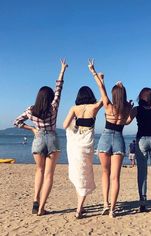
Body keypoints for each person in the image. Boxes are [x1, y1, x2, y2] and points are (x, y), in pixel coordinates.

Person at [14, 59, 68, 216]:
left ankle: (35, 200)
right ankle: (42, 208)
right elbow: (59, 87)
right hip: (52, 139)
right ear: (50, 97)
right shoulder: (53, 107)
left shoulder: (31, 110)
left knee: (39, 170)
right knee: (49, 175)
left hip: (38, 140)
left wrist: (31, 128)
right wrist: (62, 70)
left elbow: (17, 122)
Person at [88, 59, 132, 218]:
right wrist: (122, 89)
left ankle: (105, 204)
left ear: (114, 95)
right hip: (119, 139)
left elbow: (101, 87)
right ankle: (112, 210)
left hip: (106, 138)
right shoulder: (128, 108)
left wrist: (94, 71)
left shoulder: (108, 105)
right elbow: (127, 120)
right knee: (115, 177)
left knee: (105, 174)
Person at [63, 84, 103, 219]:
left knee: (78, 174)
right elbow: (104, 98)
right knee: (85, 174)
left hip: (75, 144)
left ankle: (80, 207)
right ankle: (79, 208)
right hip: (87, 145)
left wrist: (75, 123)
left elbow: (64, 125)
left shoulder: (74, 108)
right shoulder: (94, 107)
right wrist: (101, 80)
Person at [126, 87, 151, 212]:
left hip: (141, 140)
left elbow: (126, 122)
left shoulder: (136, 109)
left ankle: (142, 203)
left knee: (142, 172)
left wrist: (127, 108)